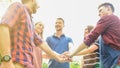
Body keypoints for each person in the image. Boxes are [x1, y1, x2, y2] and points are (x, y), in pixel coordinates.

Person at [0, 0, 65, 68]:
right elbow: (3, 27)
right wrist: (6, 59)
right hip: (16, 63)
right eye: (38, 2)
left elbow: (41, 43)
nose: (39, 6)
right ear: (33, 0)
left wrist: (58, 57)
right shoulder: (18, 6)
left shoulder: (30, 22)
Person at [69, 2, 120, 68]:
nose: (99, 14)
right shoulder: (105, 34)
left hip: (114, 61)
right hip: (109, 62)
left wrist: (72, 54)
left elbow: (90, 38)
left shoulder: (109, 17)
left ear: (108, 9)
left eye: (100, 10)